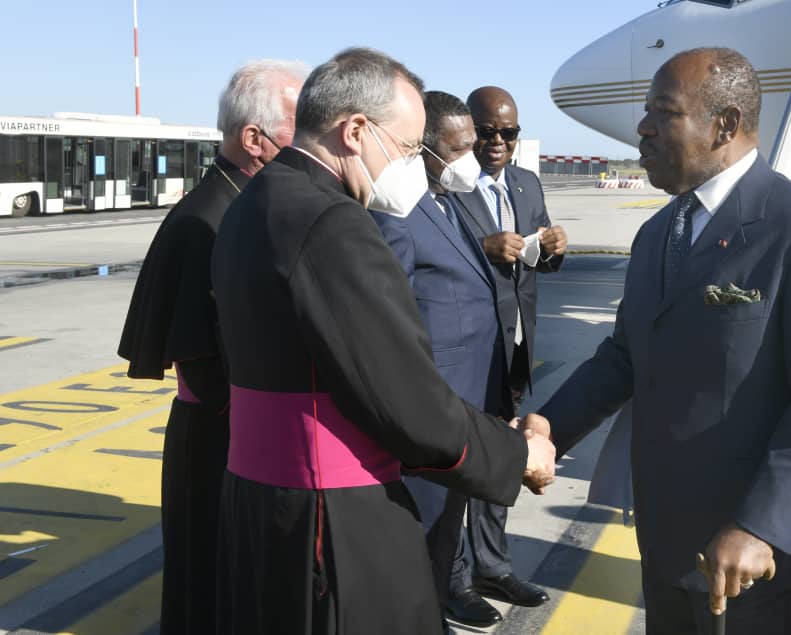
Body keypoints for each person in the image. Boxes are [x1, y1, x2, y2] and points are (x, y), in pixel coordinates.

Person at [210, 48, 555, 635]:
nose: (415, 167)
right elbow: (405, 400)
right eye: (406, 147)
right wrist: (518, 455)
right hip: (335, 516)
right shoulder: (333, 223)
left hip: (259, 501)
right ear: (355, 131)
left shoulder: (254, 202)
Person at [538, 47, 791, 635]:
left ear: (725, 125)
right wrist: (548, 427)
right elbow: (625, 356)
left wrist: (761, 524)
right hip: (664, 529)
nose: (642, 128)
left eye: (663, 112)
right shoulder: (658, 232)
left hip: (745, 547)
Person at [117, 59, 307, 635]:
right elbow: (200, 363)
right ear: (254, 139)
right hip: (218, 441)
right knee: (208, 586)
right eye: (301, 125)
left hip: (238, 436)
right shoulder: (206, 220)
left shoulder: (241, 207)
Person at [370, 90, 510, 629]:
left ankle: (443, 601)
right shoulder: (397, 216)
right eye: (458, 149)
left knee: (449, 521)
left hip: (469, 398)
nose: (471, 158)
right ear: (423, 151)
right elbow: (397, 325)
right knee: (424, 529)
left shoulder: (448, 203)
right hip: (436, 403)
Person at [449, 86, 566, 612]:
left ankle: (492, 566)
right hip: (466, 350)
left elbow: (535, 263)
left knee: (501, 460)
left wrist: (553, 249)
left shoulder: (525, 183)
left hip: (513, 349)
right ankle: (454, 581)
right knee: (456, 465)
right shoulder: (447, 187)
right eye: (487, 131)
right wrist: (482, 247)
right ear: (468, 130)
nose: (497, 141)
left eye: (508, 132)